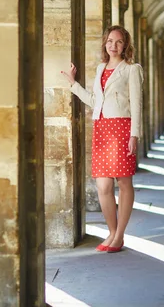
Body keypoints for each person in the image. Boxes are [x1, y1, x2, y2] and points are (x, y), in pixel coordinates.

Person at [61, 25, 143, 253]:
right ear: (105, 44)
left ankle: (119, 235)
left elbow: (137, 105)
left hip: (122, 128)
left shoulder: (131, 69)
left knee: (124, 183)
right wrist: (73, 84)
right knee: (103, 185)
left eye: (118, 42)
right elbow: (95, 101)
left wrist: (134, 134)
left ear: (125, 44)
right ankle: (111, 232)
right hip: (102, 128)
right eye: (109, 41)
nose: (113, 46)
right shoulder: (100, 69)